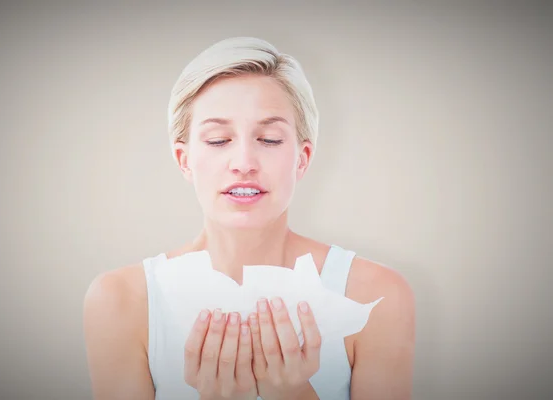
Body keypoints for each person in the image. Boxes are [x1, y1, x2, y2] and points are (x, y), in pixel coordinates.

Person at [83, 36, 416, 400]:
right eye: (217, 140)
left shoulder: (376, 295)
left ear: (302, 158)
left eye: (270, 139)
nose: (243, 162)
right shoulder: (121, 301)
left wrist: (295, 394)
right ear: (184, 159)